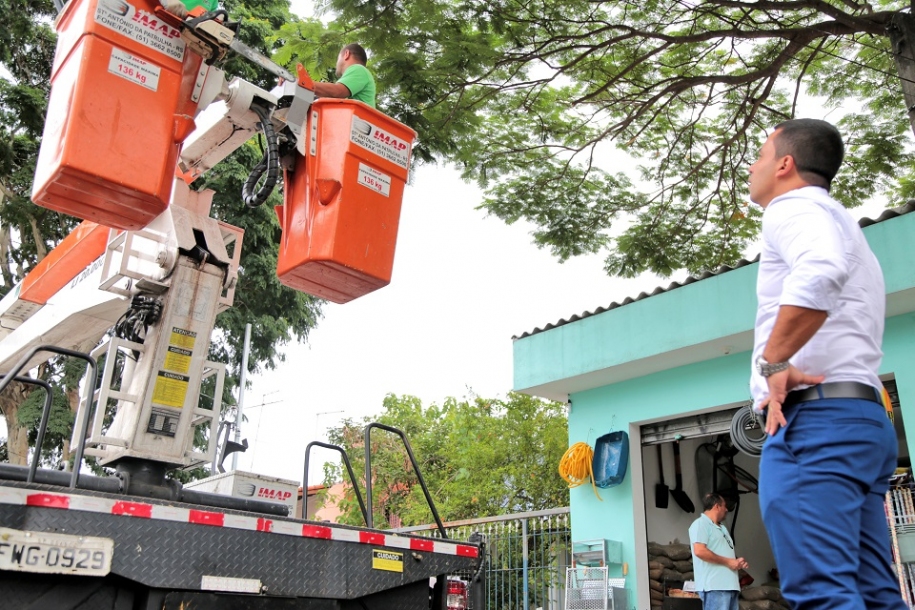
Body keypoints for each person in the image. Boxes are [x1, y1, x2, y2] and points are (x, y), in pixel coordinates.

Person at [749, 118, 905, 610]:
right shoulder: (841, 223)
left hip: (817, 423)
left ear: (785, 164)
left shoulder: (792, 206)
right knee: (875, 595)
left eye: (759, 155)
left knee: (822, 594)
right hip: (859, 421)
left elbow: (819, 269)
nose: (751, 166)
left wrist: (774, 361)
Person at [688, 492, 747, 610]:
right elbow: (700, 551)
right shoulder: (701, 524)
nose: (726, 509)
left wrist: (736, 562)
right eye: (724, 506)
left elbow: (721, 551)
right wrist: (729, 562)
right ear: (717, 506)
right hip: (715, 587)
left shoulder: (722, 528)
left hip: (729, 586)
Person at [311, 43, 376, 108]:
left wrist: (307, 83)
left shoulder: (359, 69)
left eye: (338, 58)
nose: (336, 64)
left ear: (346, 54)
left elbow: (337, 92)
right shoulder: (360, 74)